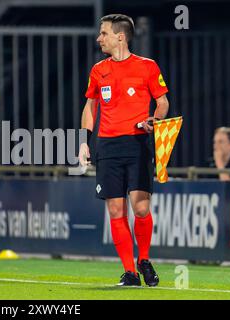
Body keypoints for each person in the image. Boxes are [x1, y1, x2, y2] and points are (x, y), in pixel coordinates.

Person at [78, 14, 169, 286]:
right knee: (116, 211)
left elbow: (162, 102)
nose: (99, 38)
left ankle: (144, 260)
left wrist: (155, 119)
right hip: (107, 145)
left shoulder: (147, 67)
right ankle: (129, 272)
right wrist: (84, 141)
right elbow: (90, 106)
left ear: (120, 36)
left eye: (103, 33)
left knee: (140, 209)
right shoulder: (98, 70)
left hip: (137, 144)